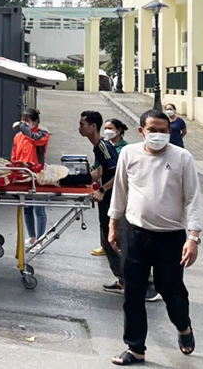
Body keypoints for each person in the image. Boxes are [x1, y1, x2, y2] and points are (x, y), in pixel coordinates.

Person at [108, 109, 202, 366]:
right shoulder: (129, 153)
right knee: (133, 293)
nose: (159, 135)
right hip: (135, 234)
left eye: (164, 130)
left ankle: (183, 327)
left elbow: (193, 199)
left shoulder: (182, 158)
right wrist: (113, 224)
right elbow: (120, 190)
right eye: (153, 130)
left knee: (171, 291)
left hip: (170, 238)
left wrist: (193, 237)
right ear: (141, 132)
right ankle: (135, 347)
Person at [78, 110, 123, 293]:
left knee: (113, 241)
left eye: (82, 124)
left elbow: (119, 173)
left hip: (113, 199)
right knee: (107, 241)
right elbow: (103, 172)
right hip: (107, 198)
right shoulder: (97, 147)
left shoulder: (104, 146)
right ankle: (122, 279)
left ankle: (133, 281)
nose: (80, 127)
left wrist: (103, 190)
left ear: (93, 126)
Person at [11, 108, 50, 252]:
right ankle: (32, 236)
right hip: (22, 175)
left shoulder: (43, 134)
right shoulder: (18, 137)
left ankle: (40, 240)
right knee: (27, 209)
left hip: (37, 176)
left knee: (39, 210)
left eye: (27, 121)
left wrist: (23, 128)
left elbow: (36, 140)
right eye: (23, 120)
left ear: (35, 122)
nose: (24, 123)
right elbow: (14, 155)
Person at [91, 118, 129, 257]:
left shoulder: (124, 148)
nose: (107, 131)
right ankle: (105, 245)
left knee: (115, 219)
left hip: (114, 188)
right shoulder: (103, 145)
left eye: (110, 128)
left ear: (118, 131)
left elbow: (118, 172)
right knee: (103, 219)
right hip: (102, 186)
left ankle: (116, 247)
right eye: (105, 128)